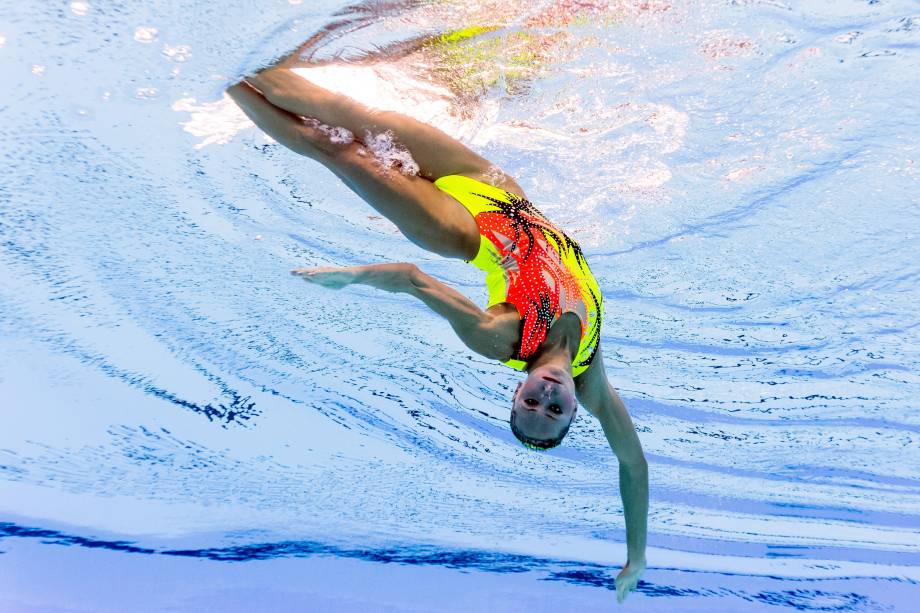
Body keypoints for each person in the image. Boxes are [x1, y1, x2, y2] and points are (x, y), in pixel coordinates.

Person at [226, 52, 648, 602]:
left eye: (530, 406)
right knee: (352, 112)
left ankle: (223, 79)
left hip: (456, 231)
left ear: (516, 390)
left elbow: (409, 278)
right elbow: (632, 464)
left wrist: (351, 278)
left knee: (336, 145)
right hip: (499, 189)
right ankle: (247, 58)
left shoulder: (500, 340)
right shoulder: (591, 375)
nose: (546, 398)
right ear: (573, 412)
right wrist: (636, 555)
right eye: (555, 412)